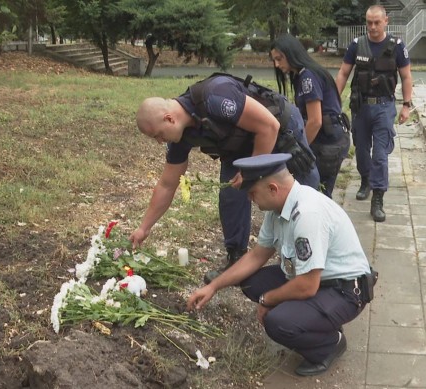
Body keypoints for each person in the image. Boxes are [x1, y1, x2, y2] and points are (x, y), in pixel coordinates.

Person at [186, 153, 373, 376]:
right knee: (250, 282)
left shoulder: (307, 214)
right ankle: (315, 320)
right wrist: (213, 286)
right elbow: (256, 256)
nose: (250, 199)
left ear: (273, 188)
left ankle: (330, 344)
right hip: (316, 280)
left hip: (344, 291)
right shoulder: (279, 208)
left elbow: (307, 286)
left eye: (253, 193)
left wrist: (267, 300)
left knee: (278, 323)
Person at [130, 74, 320, 283]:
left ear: (169, 119)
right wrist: (143, 228)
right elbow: (167, 184)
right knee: (231, 194)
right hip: (239, 143)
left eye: (157, 135)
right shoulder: (179, 137)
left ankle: (314, 261)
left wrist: (250, 174)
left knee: (300, 194)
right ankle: (237, 259)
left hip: (281, 127)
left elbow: (269, 127)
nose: (159, 141)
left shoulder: (216, 97)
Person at [335, 5, 413, 222]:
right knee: (360, 149)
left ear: (386, 21)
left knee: (380, 154)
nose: (373, 26)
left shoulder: (396, 46)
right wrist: (333, 101)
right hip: (361, 107)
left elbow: (406, 77)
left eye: (377, 22)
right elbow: (343, 73)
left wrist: (406, 105)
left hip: (384, 107)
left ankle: (378, 197)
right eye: (369, 22)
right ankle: (365, 180)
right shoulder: (356, 45)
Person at [271, 34, 351, 198]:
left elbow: (315, 121)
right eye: (274, 60)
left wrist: (299, 150)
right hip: (330, 139)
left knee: (318, 198)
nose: (277, 64)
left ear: (291, 53)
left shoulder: (308, 77)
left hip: (328, 144)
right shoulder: (302, 74)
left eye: (279, 58)